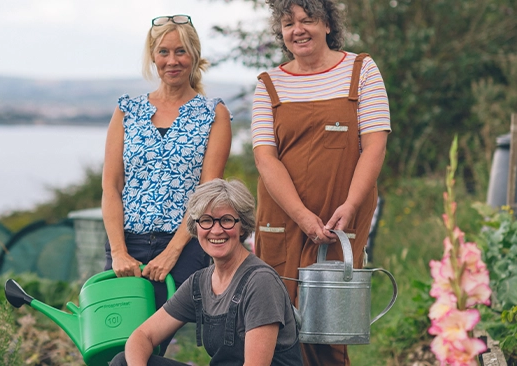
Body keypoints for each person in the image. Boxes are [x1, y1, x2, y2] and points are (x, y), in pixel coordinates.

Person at [252, 0, 391, 365]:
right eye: (288, 23)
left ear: (327, 24)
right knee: (275, 316)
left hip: (340, 217)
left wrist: (351, 205)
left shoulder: (361, 70)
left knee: (329, 321)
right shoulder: (269, 84)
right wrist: (301, 216)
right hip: (282, 217)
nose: (297, 29)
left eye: (307, 19)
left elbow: (374, 146)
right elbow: (265, 158)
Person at [101, 14, 232, 355]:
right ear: (152, 56)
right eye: (163, 52)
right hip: (126, 245)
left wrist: (172, 253)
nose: (172, 61)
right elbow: (111, 188)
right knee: (113, 341)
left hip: (184, 246)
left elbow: (207, 194)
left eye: (181, 52)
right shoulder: (127, 110)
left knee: (149, 344)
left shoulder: (212, 113)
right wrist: (118, 251)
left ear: (194, 56)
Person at [109, 179, 303, 366]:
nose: (216, 230)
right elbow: (143, 336)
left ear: (243, 226)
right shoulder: (200, 283)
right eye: (206, 221)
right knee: (124, 361)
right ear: (196, 227)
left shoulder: (260, 282)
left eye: (226, 220)